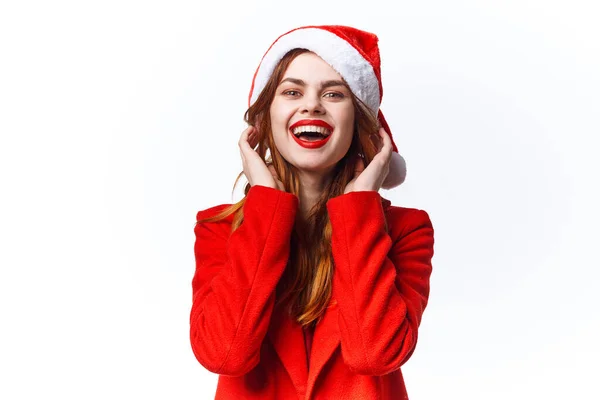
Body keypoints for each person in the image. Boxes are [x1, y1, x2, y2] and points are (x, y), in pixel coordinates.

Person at [190, 25, 435, 400]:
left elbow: (374, 354)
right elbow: (224, 354)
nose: (312, 105)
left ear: (358, 122)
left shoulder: (407, 229)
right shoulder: (218, 228)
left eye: (334, 94)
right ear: (263, 122)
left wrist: (359, 209)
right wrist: (265, 206)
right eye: (292, 91)